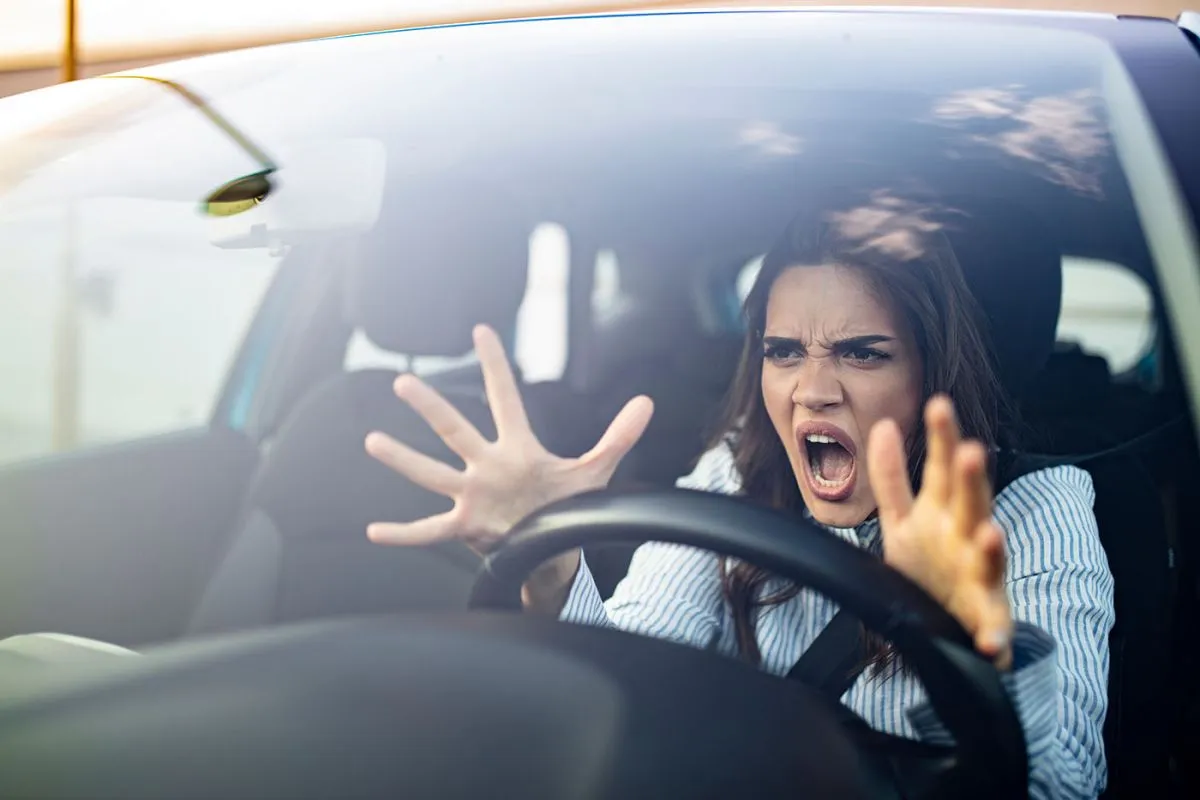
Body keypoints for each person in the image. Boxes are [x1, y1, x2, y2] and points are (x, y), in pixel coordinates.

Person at [364, 195, 1115, 799]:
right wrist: (552, 565)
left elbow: (1062, 787)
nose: (811, 392)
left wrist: (969, 651)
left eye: (863, 353)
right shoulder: (735, 473)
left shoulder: (1035, 511)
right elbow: (638, 673)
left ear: (932, 374)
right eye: (783, 352)